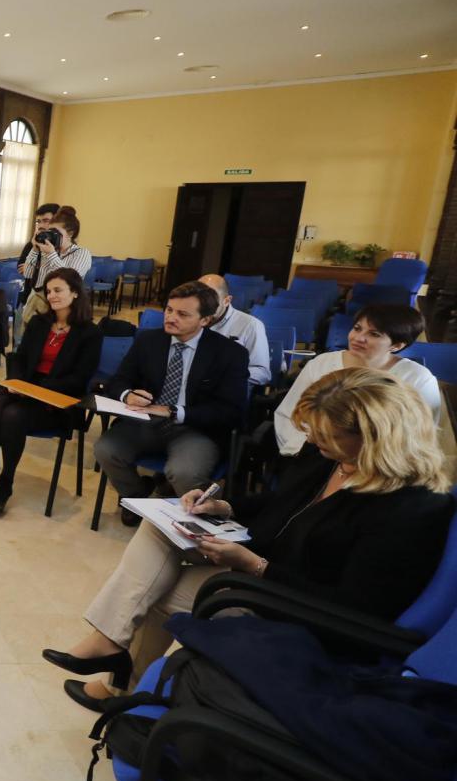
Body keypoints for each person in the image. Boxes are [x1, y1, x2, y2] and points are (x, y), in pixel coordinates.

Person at [44, 367, 453, 711]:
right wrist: (225, 507)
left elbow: (357, 608)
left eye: (326, 437)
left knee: (156, 592)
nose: (314, 442)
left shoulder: (412, 509)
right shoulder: (334, 456)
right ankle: (112, 650)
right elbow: (282, 501)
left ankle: (121, 682)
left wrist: (255, 567)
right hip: (265, 567)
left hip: (298, 609)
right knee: (157, 532)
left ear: (378, 437)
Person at [95, 281, 249, 525]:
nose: (171, 317)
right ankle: (136, 496)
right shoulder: (149, 340)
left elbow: (231, 411)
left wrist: (175, 411)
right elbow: (119, 380)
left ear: (205, 320)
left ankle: (196, 522)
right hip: (146, 421)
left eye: (182, 314)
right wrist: (128, 395)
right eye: (169, 310)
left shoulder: (229, 353)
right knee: (106, 449)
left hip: (195, 429)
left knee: (184, 472)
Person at [0, 268, 102, 516]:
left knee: (13, 415)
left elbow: (80, 379)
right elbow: (20, 356)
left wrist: (37, 389)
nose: (51, 296)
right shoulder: (40, 322)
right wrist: (17, 382)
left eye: (58, 290)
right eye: (48, 291)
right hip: (26, 386)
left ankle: (6, 481)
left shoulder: (89, 333)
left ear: (75, 293)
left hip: (58, 398)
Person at [274, 303, 441, 455]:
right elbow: (289, 414)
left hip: (377, 460)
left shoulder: (418, 378)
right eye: (357, 328)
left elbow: (422, 435)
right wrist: (302, 448)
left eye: (374, 334)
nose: (358, 338)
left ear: (397, 345)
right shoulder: (322, 363)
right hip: (314, 450)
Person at [199, 274, 271, 387]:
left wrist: (226, 375)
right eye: (198, 299)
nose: (203, 305)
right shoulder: (189, 319)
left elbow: (262, 373)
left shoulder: (251, 325)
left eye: (211, 299)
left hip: (226, 389)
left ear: (227, 301)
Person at [20, 206, 92, 319]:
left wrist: (51, 255)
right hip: (37, 304)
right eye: (51, 232)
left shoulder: (81, 253)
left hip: (62, 308)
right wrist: (34, 249)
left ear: (70, 234)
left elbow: (70, 279)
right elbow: (28, 274)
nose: (53, 236)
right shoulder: (47, 250)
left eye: (57, 233)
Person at [17, 201, 60, 305]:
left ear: (58, 222)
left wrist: (35, 268)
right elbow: (22, 268)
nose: (40, 226)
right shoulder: (31, 244)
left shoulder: (62, 247)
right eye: (38, 221)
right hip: (29, 297)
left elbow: (61, 275)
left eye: (46, 221)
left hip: (53, 301)